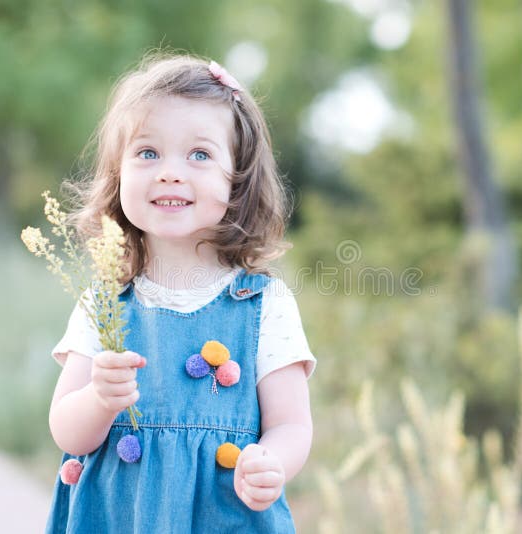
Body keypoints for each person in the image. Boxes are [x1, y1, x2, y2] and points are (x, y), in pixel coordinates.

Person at [45, 53, 316, 533]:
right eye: (148, 153)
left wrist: (270, 463)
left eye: (200, 154)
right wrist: (101, 400)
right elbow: (67, 431)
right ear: (117, 175)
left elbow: (291, 425)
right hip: (117, 517)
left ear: (237, 180)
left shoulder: (263, 304)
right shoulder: (104, 303)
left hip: (223, 517)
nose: (170, 172)